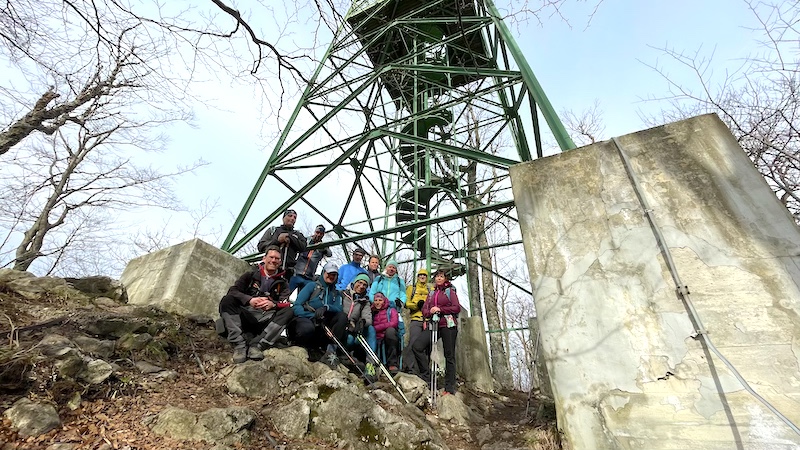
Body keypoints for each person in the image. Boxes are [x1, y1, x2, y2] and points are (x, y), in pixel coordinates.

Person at [218, 246, 295, 364]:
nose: (273, 260)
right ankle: (239, 344)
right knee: (227, 300)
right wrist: (249, 300)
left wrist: (273, 304)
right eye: (271, 257)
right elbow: (233, 291)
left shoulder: (283, 283)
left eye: (277, 259)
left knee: (289, 312)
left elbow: (285, 303)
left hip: (265, 320)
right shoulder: (250, 275)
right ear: (264, 258)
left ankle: (258, 345)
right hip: (246, 315)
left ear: (280, 262)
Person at [412, 268, 461, 395]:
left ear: (445, 278)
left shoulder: (450, 291)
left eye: (441, 276)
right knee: (417, 346)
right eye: (437, 276)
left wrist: (440, 309)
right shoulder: (432, 293)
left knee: (449, 355)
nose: (439, 278)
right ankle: (426, 376)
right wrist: (431, 311)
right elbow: (425, 310)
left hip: (448, 324)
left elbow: (456, 308)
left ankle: (449, 387)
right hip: (434, 324)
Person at [292, 262, 348, 368]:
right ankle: (304, 347)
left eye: (334, 275)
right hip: (309, 320)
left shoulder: (336, 293)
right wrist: (310, 315)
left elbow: (339, 309)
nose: (331, 276)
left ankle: (331, 351)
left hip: (324, 325)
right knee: (306, 328)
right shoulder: (312, 286)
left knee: (342, 317)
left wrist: (327, 307)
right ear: (323, 272)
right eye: (329, 273)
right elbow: (297, 305)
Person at [341, 273, 377, 378]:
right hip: (341, 329)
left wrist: (362, 322)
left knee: (370, 330)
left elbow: (368, 318)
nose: (361, 286)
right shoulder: (343, 294)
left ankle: (370, 366)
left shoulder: (364, 302)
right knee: (349, 339)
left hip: (353, 331)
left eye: (365, 285)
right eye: (360, 282)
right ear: (354, 282)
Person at [257, 209, 307, 278]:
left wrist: (290, 237)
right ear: (283, 218)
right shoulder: (273, 231)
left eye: (295, 217)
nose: (292, 218)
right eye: (290, 216)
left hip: (288, 272)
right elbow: (261, 246)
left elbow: (303, 247)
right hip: (271, 267)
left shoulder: (298, 235)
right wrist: (277, 241)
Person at [289, 224, 332, 296]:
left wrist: (323, 247)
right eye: (317, 232)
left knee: (302, 299)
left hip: (308, 277)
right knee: (286, 293)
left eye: (321, 234)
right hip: (297, 273)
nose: (318, 235)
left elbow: (329, 254)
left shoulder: (323, 246)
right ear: (314, 232)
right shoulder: (306, 240)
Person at [402, 267, 429, 374]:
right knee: (413, 341)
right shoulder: (411, 288)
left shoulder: (430, 290)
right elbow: (407, 303)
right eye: (420, 275)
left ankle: (424, 370)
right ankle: (411, 368)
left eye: (424, 275)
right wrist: (416, 305)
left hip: (428, 319)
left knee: (427, 346)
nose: (422, 277)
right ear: (418, 277)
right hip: (416, 318)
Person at [371, 292, 400, 374]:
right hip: (375, 336)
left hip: (388, 336)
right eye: (376, 300)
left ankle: (392, 363)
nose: (377, 302)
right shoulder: (371, 311)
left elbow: (394, 323)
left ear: (384, 301)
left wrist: (377, 328)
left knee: (390, 331)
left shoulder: (391, 310)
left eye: (380, 300)